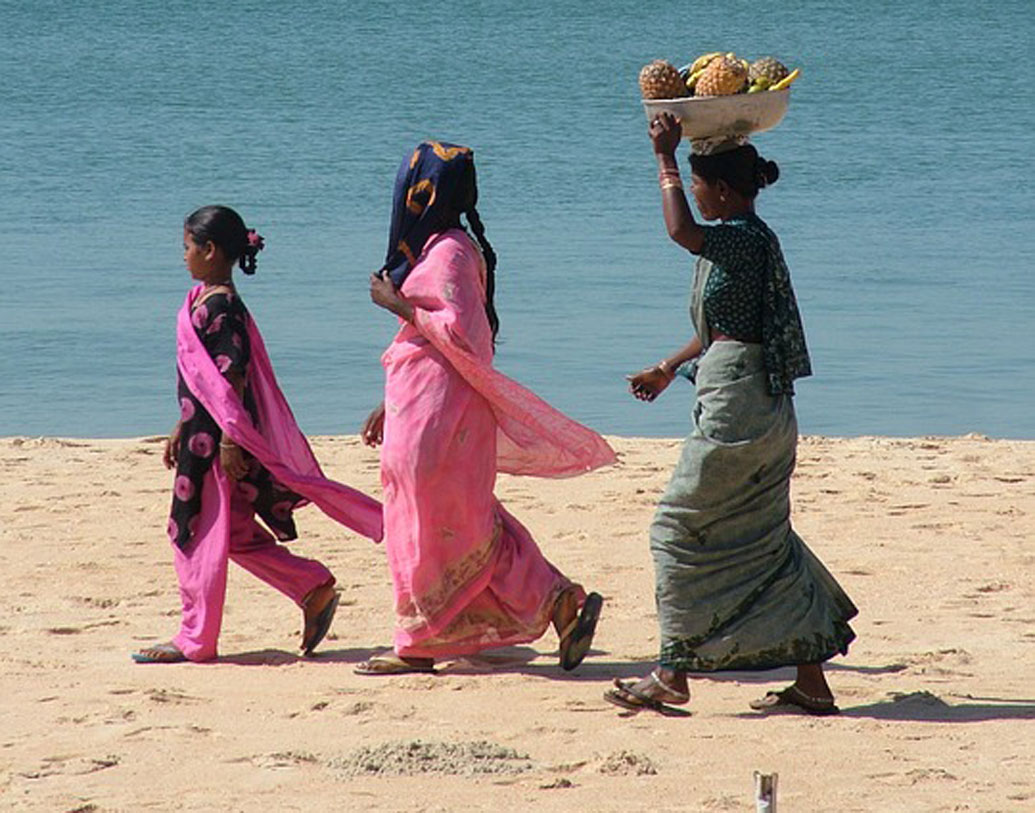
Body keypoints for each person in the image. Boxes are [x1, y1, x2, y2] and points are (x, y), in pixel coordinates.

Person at [605, 115, 858, 716]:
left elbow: (680, 232)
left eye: (697, 184)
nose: (692, 193)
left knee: (676, 530)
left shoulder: (742, 237)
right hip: (755, 406)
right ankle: (811, 681)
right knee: (763, 540)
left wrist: (664, 158)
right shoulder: (749, 241)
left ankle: (671, 673)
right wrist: (668, 367)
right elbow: (726, 330)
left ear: (720, 190)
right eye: (687, 182)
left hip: (740, 416)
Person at [357, 141, 615, 675]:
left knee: (446, 517)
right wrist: (388, 403)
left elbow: (464, 336)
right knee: (450, 516)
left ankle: (423, 643)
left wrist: (397, 302)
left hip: (443, 414)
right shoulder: (436, 248)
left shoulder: (449, 251)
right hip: (420, 404)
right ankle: (558, 604)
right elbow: (424, 339)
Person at [133, 205, 382, 664]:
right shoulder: (199, 301)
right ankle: (312, 588)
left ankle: (195, 638)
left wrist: (229, 441)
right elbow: (200, 379)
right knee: (234, 535)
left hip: (215, 447)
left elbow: (234, 375)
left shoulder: (222, 306)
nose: (183, 256)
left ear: (210, 250)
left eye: (187, 247)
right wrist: (180, 425)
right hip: (200, 435)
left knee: (192, 536)